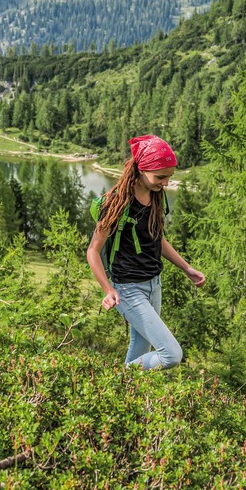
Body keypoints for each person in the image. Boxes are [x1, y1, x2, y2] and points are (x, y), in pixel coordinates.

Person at [86, 135, 205, 370]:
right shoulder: (116, 203)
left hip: (154, 285)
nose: (166, 183)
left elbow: (157, 238)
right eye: (161, 177)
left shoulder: (155, 196)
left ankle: (123, 394)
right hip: (128, 289)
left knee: (142, 351)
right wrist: (107, 290)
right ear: (141, 169)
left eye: (169, 177)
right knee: (171, 355)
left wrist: (186, 267)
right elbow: (93, 251)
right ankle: (117, 378)